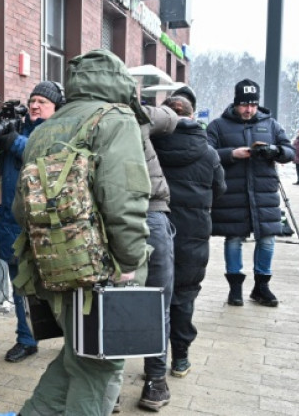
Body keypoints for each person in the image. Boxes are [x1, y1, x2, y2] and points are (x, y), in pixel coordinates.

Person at [8, 49, 151, 416]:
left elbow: (21, 208)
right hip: (102, 268)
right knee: (100, 364)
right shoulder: (116, 118)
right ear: (120, 83)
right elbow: (124, 199)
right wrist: (130, 260)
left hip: (52, 268)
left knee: (78, 355)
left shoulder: (45, 129)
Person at [0, 81, 64, 363]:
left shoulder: (60, 131)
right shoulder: (16, 127)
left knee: (58, 286)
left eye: (42, 101)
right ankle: (27, 339)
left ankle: (73, 341)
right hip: (13, 223)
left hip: (47, 225)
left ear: (56, 107)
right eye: (32, 100)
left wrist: (12, 140)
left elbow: (44, 156)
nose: (35, 105)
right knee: (20, 287)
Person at [151, 95, 225, 380]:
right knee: (184, 296)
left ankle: (153, 360)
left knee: (152, 295)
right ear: (193, 117)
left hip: (155, 231)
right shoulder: (209, 153)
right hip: (193, 234)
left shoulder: (150, 147)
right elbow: (220, 189)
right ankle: (180, 358)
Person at [207, 79, 294, 308]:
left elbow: (289, 151)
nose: (249, 109)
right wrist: (232, 154)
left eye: (253, 105)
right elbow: (206, 153)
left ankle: (261, 287)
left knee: (267, 240)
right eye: (245, 104)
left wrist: (275, 150)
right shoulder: (218, 125)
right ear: (236, 103)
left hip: (263, 195)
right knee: (234, 239)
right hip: (231, 195)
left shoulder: (271, 125)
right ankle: (235, 289)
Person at [135, 97, 178, 411]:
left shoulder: (78, 117)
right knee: (157, 300)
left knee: (102, 300)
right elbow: (172, 118)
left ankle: (103, 388)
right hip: (150, 211)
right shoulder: (137, 114)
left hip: (100, 217)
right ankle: (155, 381)